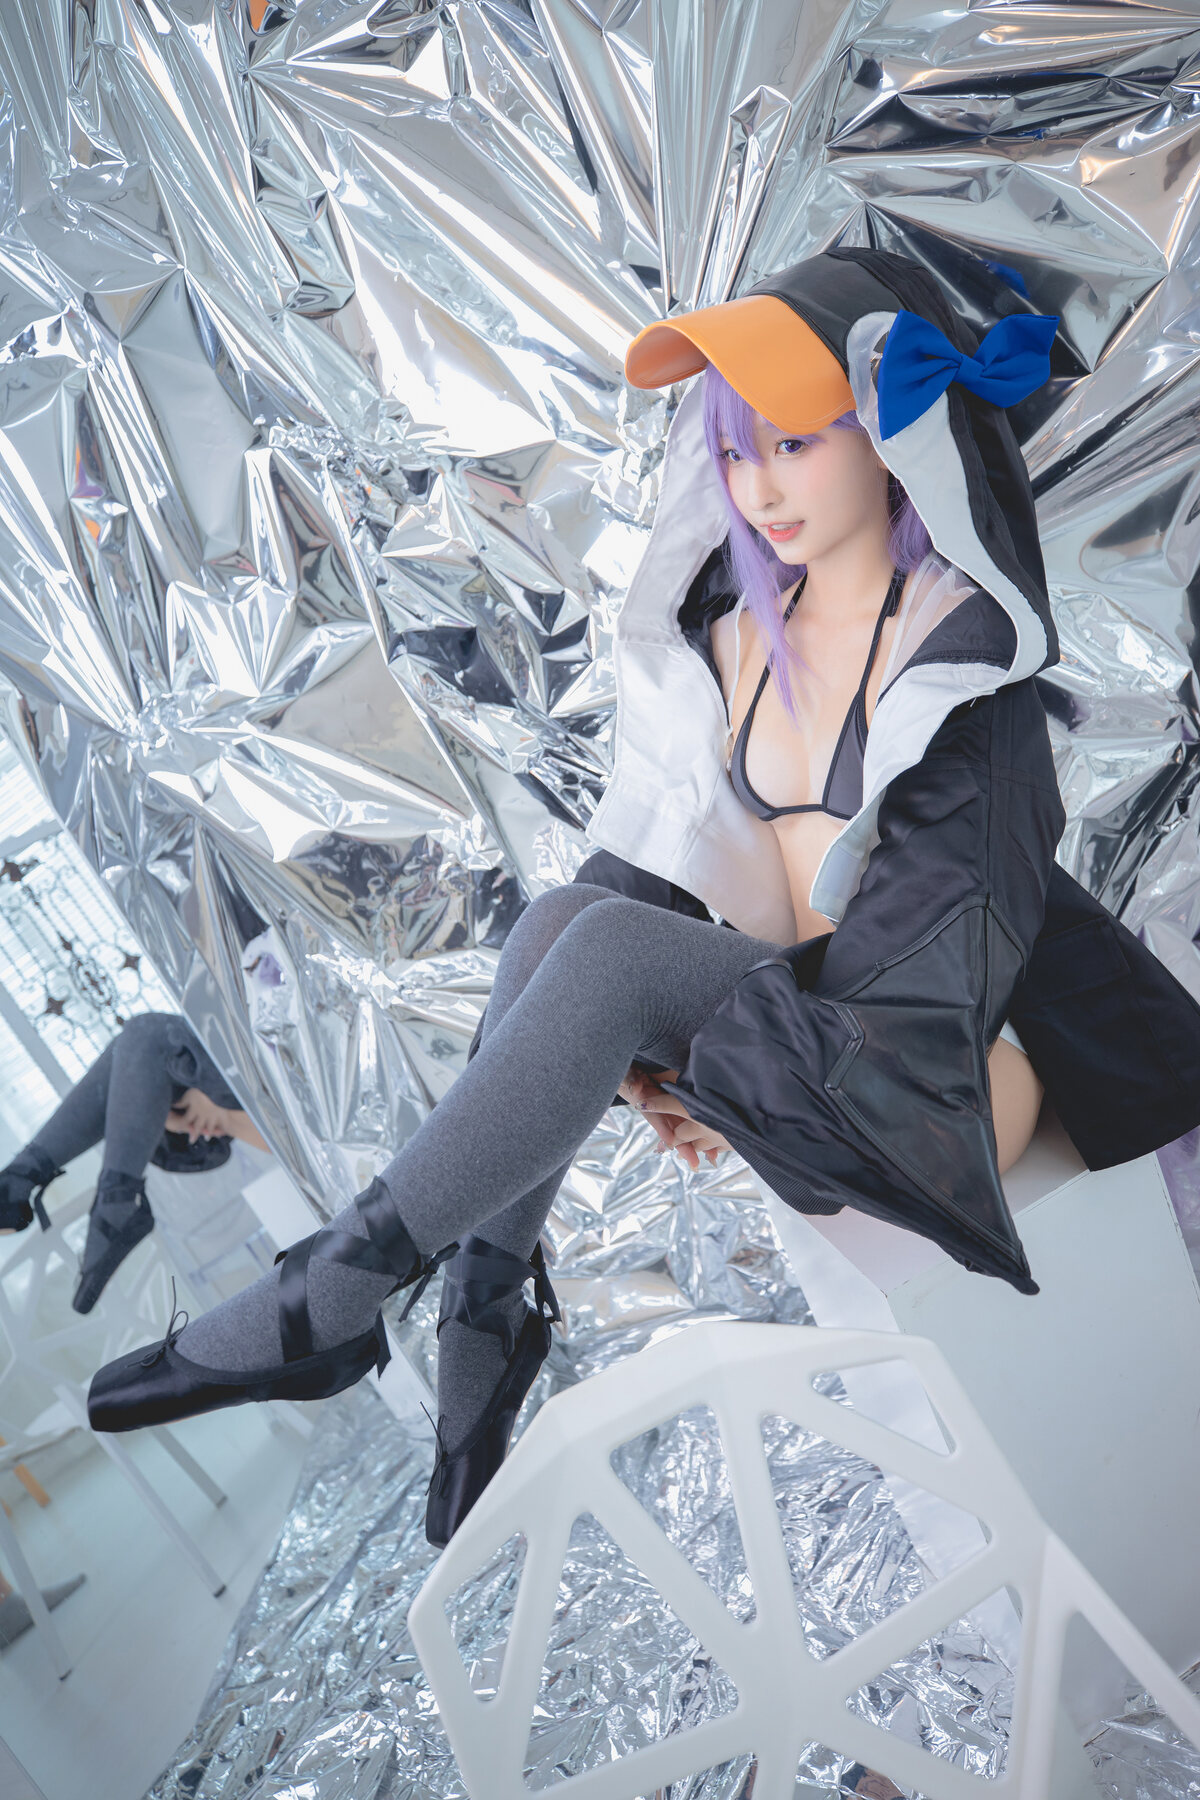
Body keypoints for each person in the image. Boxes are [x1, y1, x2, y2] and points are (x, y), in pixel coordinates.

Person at [84, 249, 1200, 1558]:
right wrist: (656, 1036)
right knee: (568, 923)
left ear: (893, 433)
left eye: (793, 442)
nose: (758, 488)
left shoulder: (965, 658)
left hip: (963, 1060)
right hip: (837, 1028)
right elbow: (650, 864)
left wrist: (713, 1043)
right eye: (733, 451)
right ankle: (484, 1303)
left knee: (607, 951)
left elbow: (939, 957)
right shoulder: (738, 637)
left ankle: (340, 1292)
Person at [0, 1012, 267, 1313]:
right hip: (221, 1103)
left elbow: (284, 1136)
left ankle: (27, 1184)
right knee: (131, 1049)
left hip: (249, 1112)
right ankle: (37, 1185)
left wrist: (223, 1114)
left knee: (145, 1036)